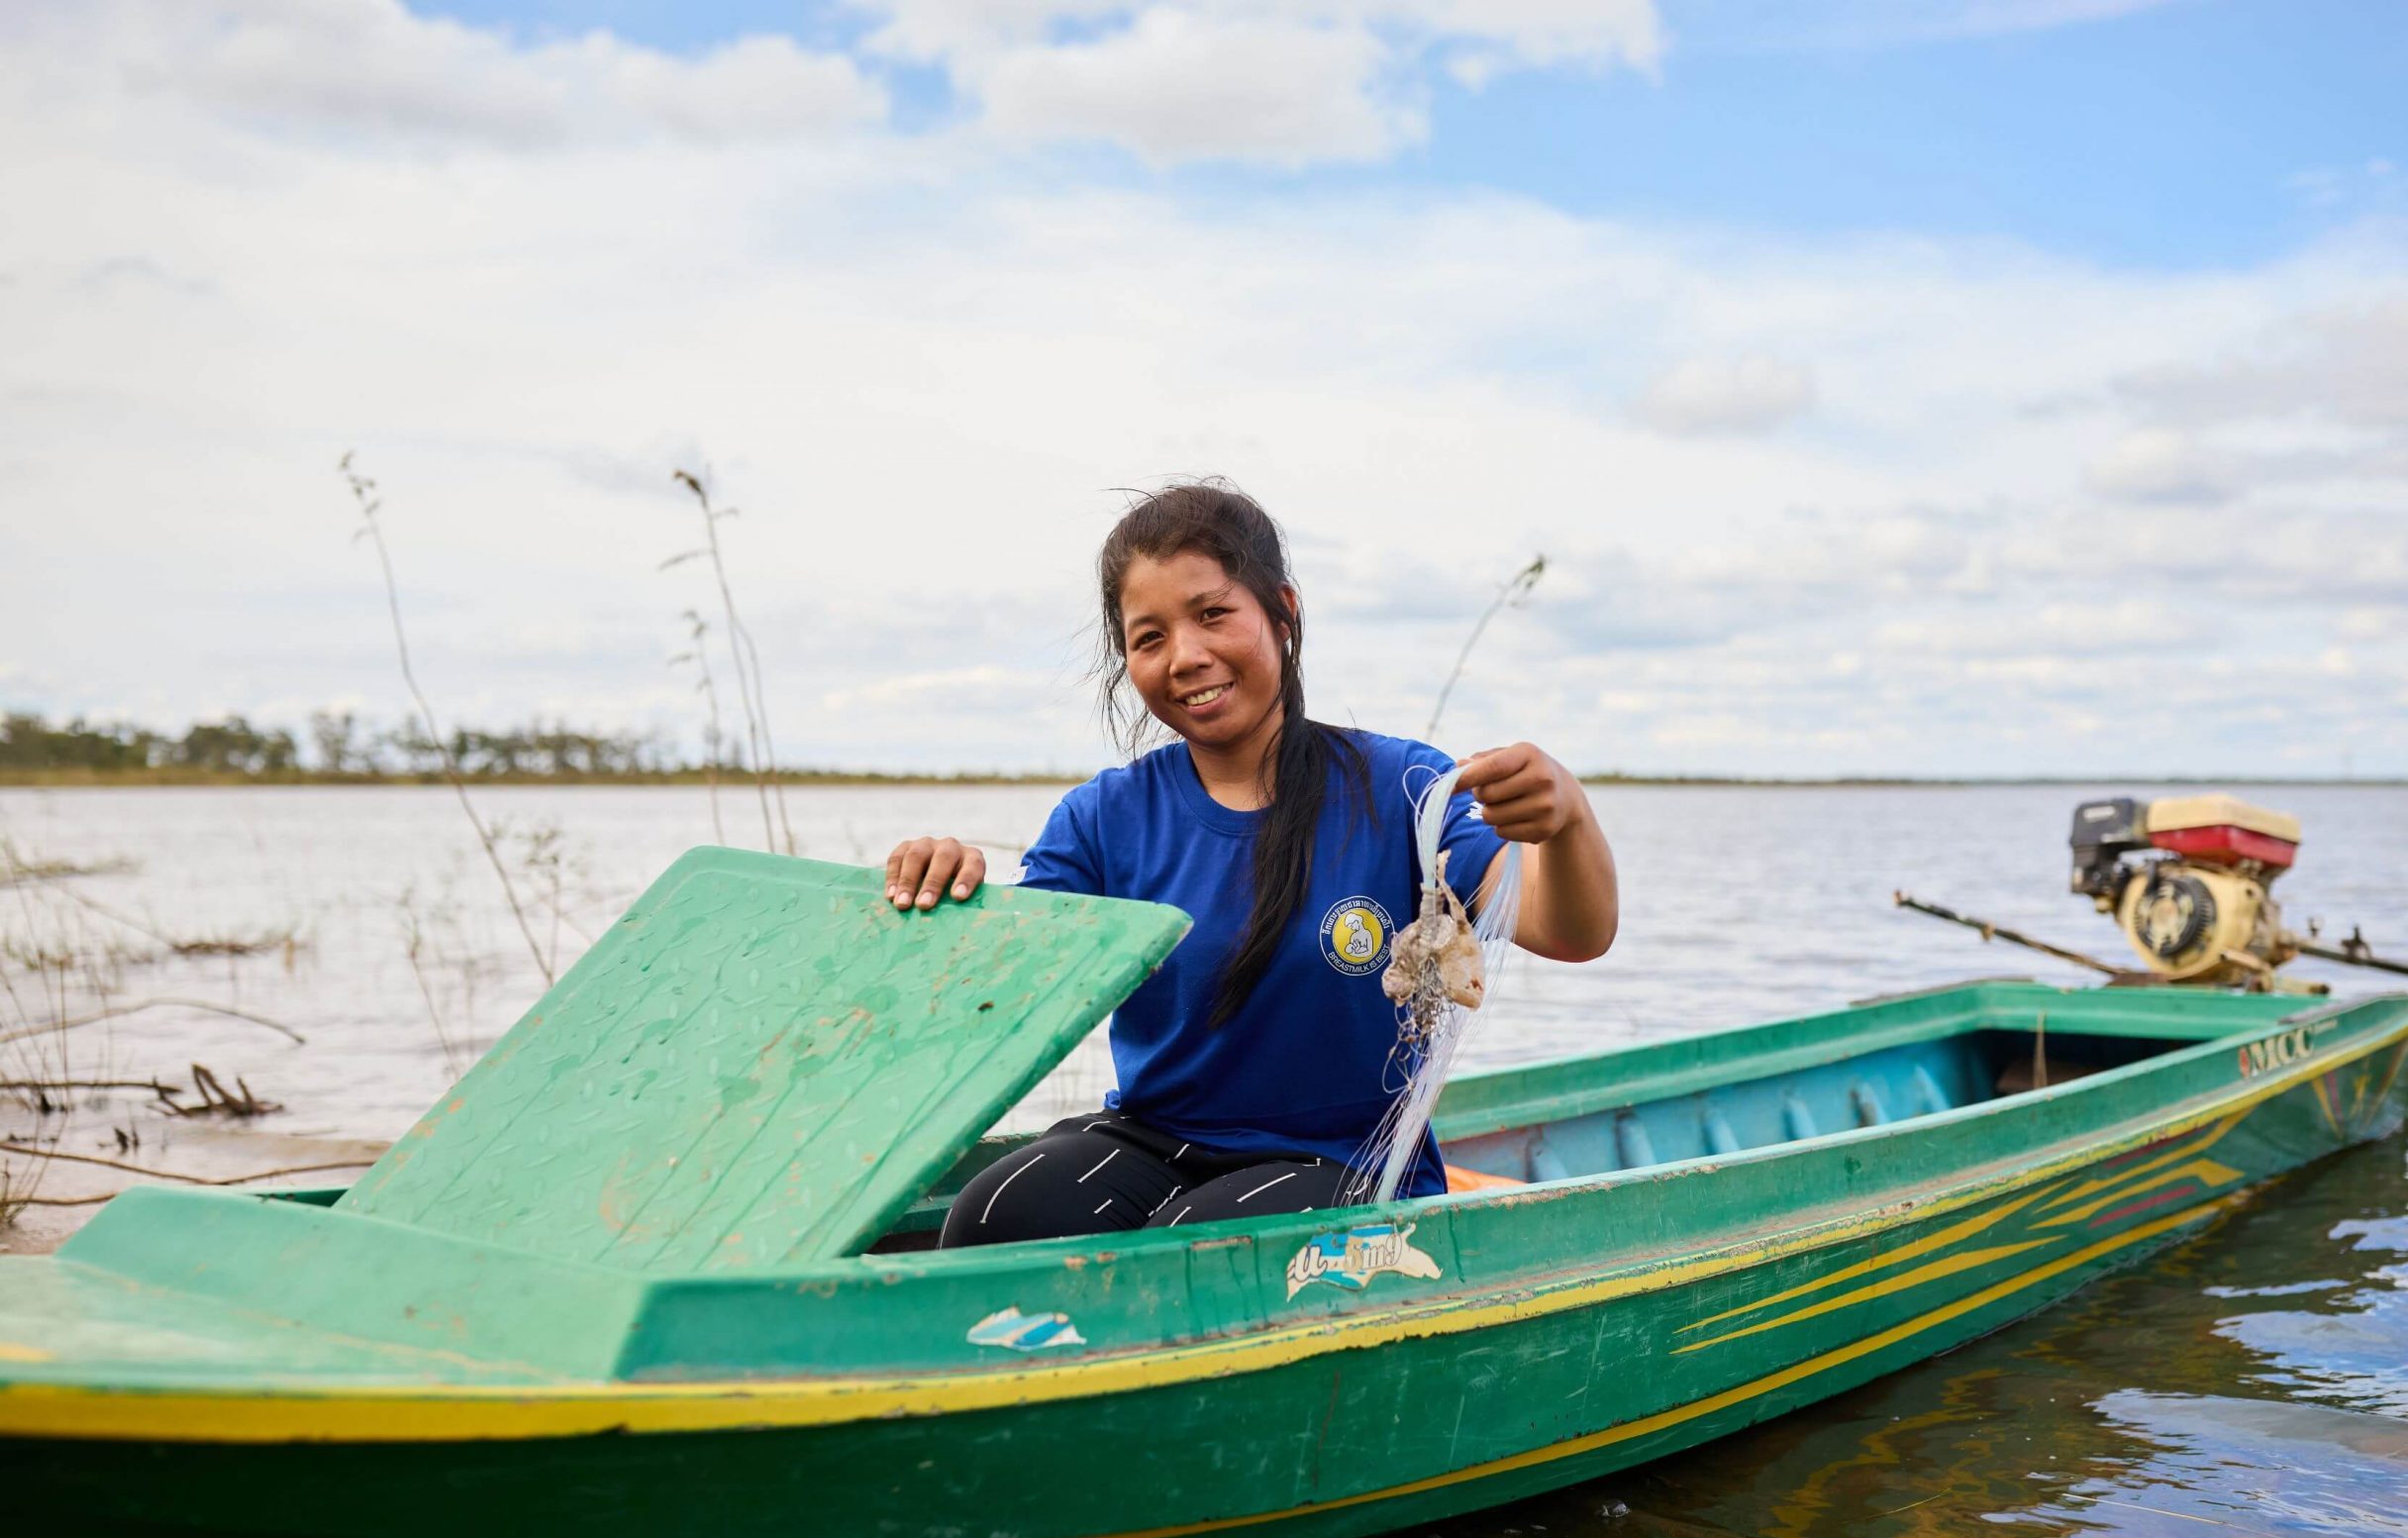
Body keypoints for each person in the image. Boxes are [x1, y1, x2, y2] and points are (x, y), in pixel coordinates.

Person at [885, 481, 1617, 1247]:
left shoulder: (1401, 790)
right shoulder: (1103, 818)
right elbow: (1009, 983)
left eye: (1212, 614)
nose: (1187, 656)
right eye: (1150, 637)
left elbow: (1569, 931)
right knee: (993, 1214)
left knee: (1205, 1244)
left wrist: (1566, 820)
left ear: (1283, 612)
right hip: (1153, 1141)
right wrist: (949, 895)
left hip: (1343, 1162)